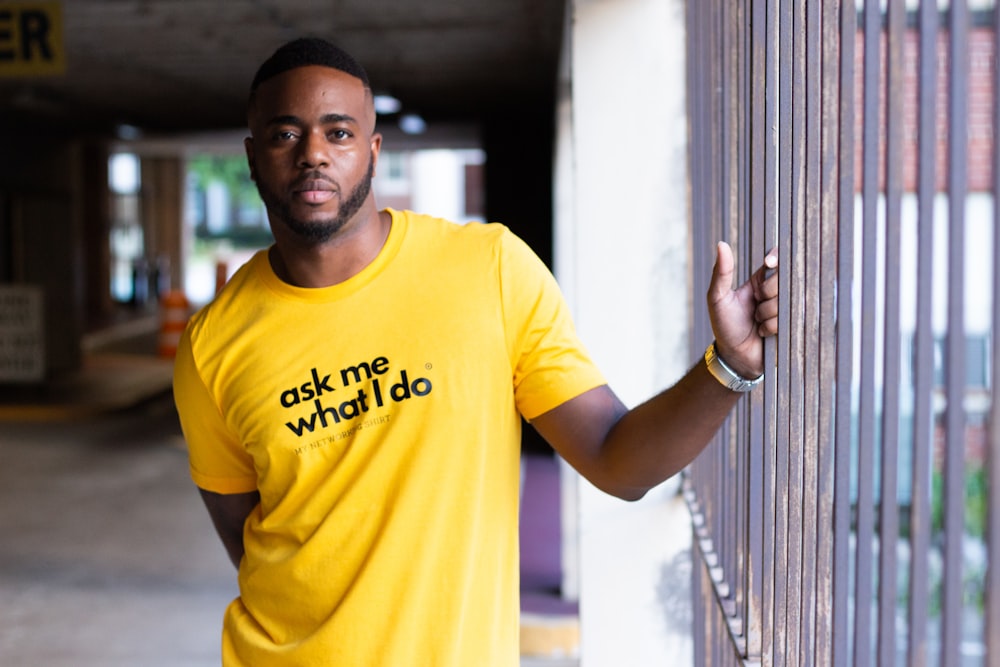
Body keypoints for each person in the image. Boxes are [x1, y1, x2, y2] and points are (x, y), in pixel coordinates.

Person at [172, 37, 779, 667]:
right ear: (252, 156)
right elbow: (249, 544)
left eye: (340, 132)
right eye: (285, 135)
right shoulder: (212, 344)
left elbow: (617, 462)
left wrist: (729, 366)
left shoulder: (488, 270)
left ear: (374, 151)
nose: (314, 155)